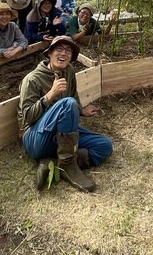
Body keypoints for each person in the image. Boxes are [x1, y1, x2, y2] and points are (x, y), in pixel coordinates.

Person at [18, 36, 113, 192]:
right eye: (59, 49)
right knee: (67, 104)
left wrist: (82, 110)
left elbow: (73, 96)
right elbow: (27, 117)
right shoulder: (32, 79)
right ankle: (69, 165)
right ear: (49, 53)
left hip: (63, 136)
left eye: (68, 50)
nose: (64, 53)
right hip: (35, 137)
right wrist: (50, 95)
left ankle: (55, 163)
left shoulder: (69, 71)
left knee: (104, 146)